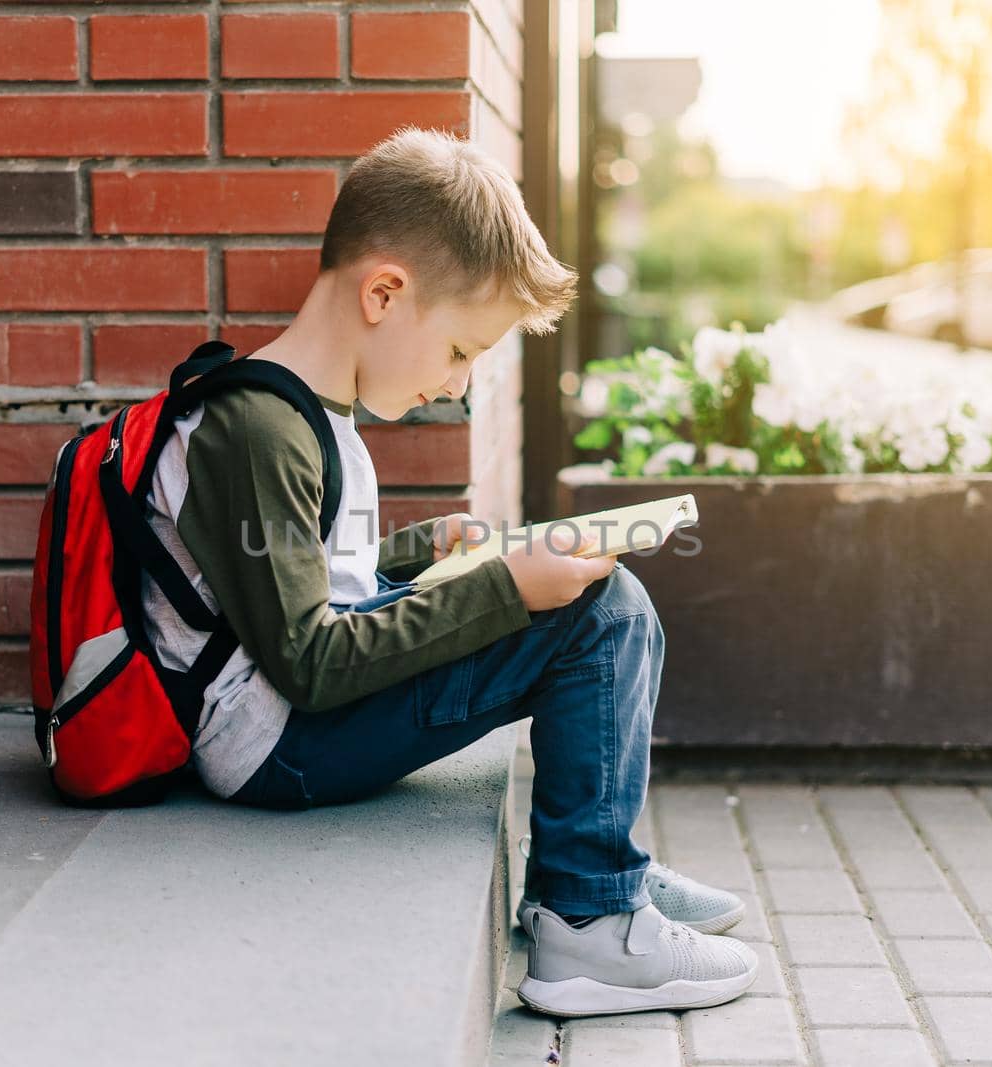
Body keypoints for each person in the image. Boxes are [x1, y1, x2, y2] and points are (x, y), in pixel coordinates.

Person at [140, 126, 758, 1017]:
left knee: (583, 587)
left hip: (288, 710)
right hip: (278, 745)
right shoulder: (262, 430)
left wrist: (419, 552)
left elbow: (297, 578)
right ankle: (589, 918)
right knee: (601, 610)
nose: (460, 385)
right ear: (385, 292)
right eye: (463, 350)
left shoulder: (307, 413)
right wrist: (504, 588)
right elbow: (310, 662)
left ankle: (594, 851)